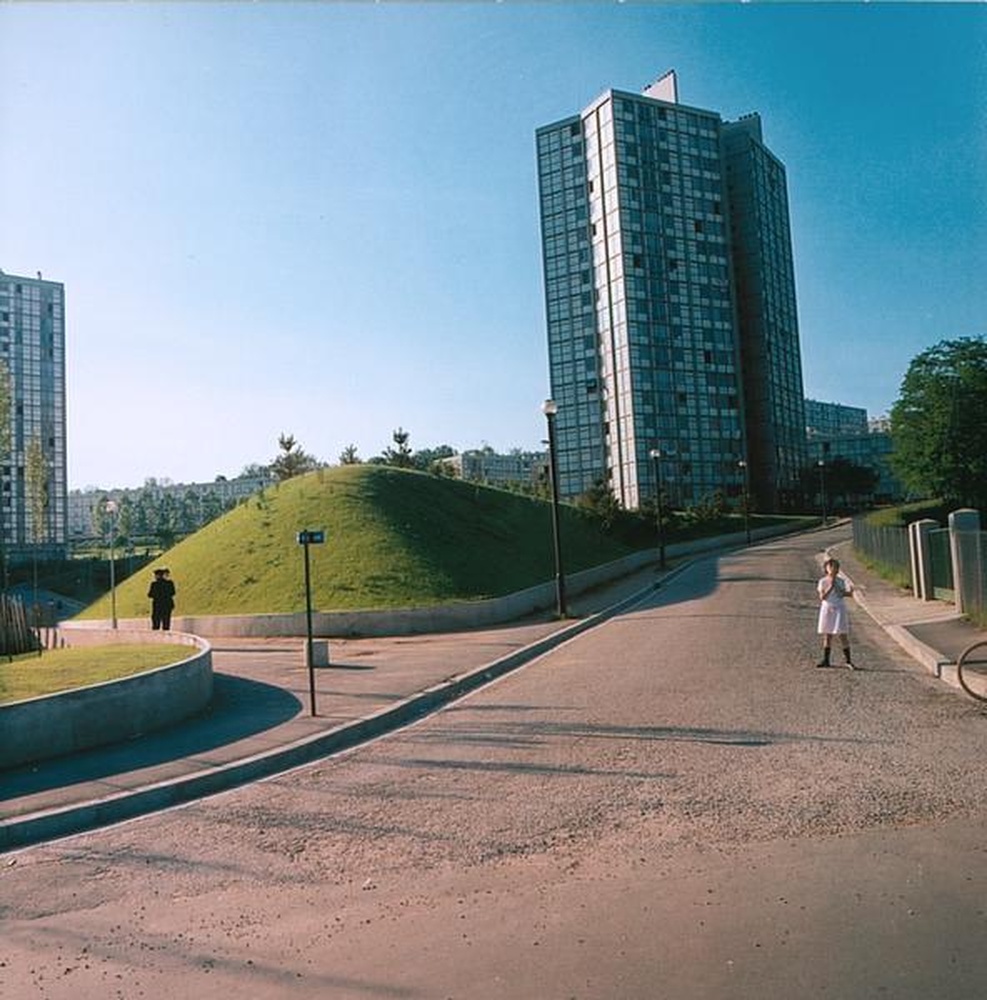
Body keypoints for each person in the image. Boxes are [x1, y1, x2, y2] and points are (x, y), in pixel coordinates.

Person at [816, 557, 854, 669]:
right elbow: (823, 597)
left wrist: (849, 591)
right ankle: (826, 660)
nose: (833, 569)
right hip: (828, 608)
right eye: (831, 567)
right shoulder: (822, 581)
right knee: (827, 634)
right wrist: (830, 586)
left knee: (842, 634)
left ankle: (848, 660)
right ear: (826, 569)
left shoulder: (841, 581)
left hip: (839, 608)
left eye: (836, 567)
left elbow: (842, 594)